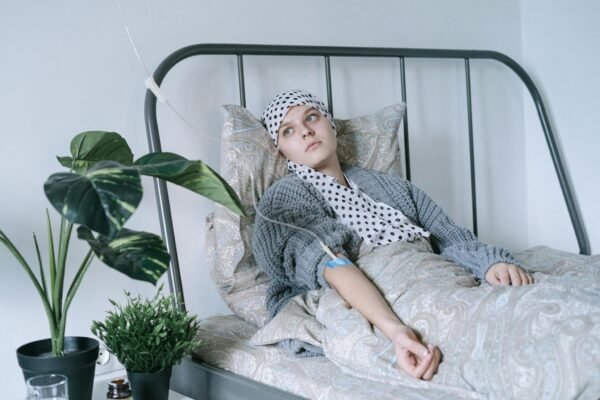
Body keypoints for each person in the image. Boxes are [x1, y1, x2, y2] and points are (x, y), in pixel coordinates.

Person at [252, 89, 534, 381]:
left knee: (522, 309)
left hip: (433, 269)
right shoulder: (284, 201)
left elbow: (448, 234)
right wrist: (396, 331)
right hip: (374, 286)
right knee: (486, 335)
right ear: (281, 150)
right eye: (288, 131)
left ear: (330, 124)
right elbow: (332, 264)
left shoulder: (391, 187)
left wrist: (490, 263)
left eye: (312, 117)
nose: (306, 132)